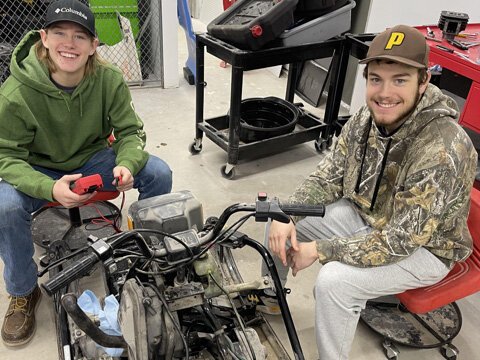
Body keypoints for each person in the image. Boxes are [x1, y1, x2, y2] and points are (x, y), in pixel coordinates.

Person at [264, 25, 477, 359]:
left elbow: (400, 241)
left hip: (425, 251)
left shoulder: (443, 149)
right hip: (369, 218)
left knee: (334, 282)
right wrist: (286, 213)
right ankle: (268, 297)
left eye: (400, 80)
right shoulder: (367, 116)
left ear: (424, 81)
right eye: (376, 78)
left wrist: (320, 250)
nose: (384, 92)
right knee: (277, 215)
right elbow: (327, 177)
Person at [0, 0, 172, 346]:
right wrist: (48, 188)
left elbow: (130, 132)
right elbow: (6, 156)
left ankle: (145, 256)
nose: (70, 44)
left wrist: (126, 163)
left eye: (80, 36)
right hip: (40, 169)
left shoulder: (108, 79)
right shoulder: (15, 93)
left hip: (93, 160)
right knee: (5, 206)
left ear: (94, 45)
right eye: (60, 33)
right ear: (43, 38)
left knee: (158, 172)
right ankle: (23, 291)